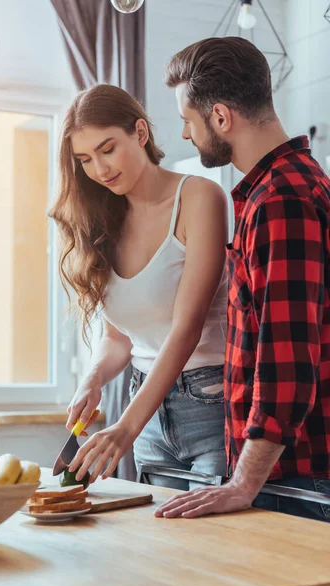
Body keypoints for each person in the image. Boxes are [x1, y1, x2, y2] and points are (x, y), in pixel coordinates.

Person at [155, 37, 330, 521]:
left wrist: (243, 482)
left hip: (296, 477)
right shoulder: (280, 188)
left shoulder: (282, 201)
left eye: (189, 121)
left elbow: (287, 360)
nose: (187, 136)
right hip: (286, 473)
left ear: (220, 117)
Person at [50, 83, 229, 490]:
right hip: (146, 410)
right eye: (85, 159)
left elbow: (188, 327)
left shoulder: (199, 197)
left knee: (214, 549)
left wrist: (125, 427)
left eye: (107, 148)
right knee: (158, 549)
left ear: (141, 133)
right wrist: (93, 379)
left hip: (212, 402)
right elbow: (119, 339)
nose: (99, 169)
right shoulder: (103, 223)